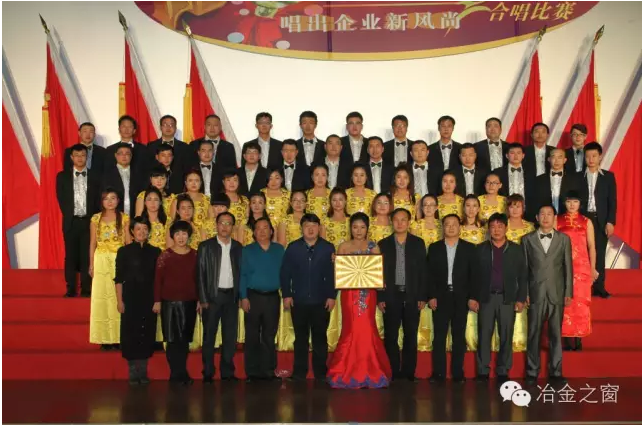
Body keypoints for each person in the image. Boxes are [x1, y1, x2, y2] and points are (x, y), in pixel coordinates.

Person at [327, 213, 392, 389]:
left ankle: (371, 369)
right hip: (349, 295)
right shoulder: (343, 246)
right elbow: (338, 274)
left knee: (367, 328)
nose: (358, 231)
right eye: (355, 227)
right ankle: (345, 370)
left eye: (362, 227)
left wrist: (380, 282)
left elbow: (378, 271)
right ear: (350, 228)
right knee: (350, 328)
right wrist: (335, 263)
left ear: (367, 228)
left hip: (368, 294)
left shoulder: (373, 247)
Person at [472, 213, 527, 383]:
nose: (496, 230)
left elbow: (523, 276)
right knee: (484, 335)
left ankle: (503, 370)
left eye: (500, 226)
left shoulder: (516, 250)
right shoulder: (480, 249)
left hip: (507, 298)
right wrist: (473, 297)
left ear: (506, 228)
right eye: (493, 227)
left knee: (506, 335)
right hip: (486, 298)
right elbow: (472, 276)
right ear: (488, 229)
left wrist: (520, 299)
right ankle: (483, 370)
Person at [280, 213, 336, 380]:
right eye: (307, 226)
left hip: (321, 300)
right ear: (301, 228)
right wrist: (287, 294)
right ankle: (299, 372)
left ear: (319, 228)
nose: (310, 229)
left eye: (314, 226)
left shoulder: (328, 248)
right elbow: (285, 273)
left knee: (320, 338)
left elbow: (333, 274)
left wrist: (332, 295)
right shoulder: (293, 247)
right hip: (299, 300)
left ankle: (320, 372)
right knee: (300, 338)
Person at [523, 205, 573, 385]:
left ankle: (556, 372)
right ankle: (532, 371)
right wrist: (525, 293)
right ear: (537, 217)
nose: (545, 217)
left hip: (556, 292)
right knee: (533, 333)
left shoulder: (564, 239)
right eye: (542, 214)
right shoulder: (527, 239)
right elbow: (524, 269)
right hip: (535, 293)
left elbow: (568, 267)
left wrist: (568, 292)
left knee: (556, 334)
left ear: (554, 218)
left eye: (549, 214)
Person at [378, 208, 427, 381]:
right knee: (391, 336)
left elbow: (423, 272)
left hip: (412, 295)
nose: (400, 223)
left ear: (409, 222)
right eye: (396, 220)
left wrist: (422, 296)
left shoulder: (418, 243)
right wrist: (380, 297)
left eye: (403, 219)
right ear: (392, 222)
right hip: (391, 295)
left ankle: (408, 372)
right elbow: (379, 273)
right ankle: (392, 371)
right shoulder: (383, 244)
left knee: (410, 335)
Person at [428, 214, 476, 383]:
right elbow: (429, 275)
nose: (450, 227)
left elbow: (474, 275)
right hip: (440, 297)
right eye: (447, 224)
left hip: (461, 297)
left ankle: (458, 373)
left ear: (459, 227)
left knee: (458, 336)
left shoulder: (469, 248)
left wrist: (472, 297)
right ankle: (439, 373)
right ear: (443, 227)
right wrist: (431, 296)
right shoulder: (434, 248)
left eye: (454, 224)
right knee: (439, 337)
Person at [197, 211, 243, 382]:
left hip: (231, 296)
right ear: (216, 225)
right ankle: (208, 371)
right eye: (222, 223)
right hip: (212, 297)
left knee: (229, 336)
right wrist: (203, 299)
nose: (225, 227)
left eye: (228, 223)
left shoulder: (238, 247)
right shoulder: (205, 246)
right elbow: (200, 275)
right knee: (209, 335)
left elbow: (241, 273)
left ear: (233, 227)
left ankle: (227, 372)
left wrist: (240, 296)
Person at [115, 216, 161, 385]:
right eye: (138, 229)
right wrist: (119, 301)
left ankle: (143, 372)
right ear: (132, 232)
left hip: (149, 298)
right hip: (130, 298)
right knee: (131, 334)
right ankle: (133, 372)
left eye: (145, 229)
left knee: (146, 333)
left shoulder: (156, 252)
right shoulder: (124, 251)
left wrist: (158, 301)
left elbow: (159, 280)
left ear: (149, 231)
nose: (142, 232)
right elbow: (118, 279)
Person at [154, 220, 198, 385]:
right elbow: (158, 281)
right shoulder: (165, 255)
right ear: (172, 236)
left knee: (184, 340)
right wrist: (157, 301)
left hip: (189, 302)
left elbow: (199, 279)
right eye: (177, 234)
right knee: (172, 340)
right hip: (169, 302)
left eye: (184, 234)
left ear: (189, 236)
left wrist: (200, 300)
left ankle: (181, 372)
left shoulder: (195, 255)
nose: (181, 237)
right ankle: (176, 374)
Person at [240, 217, 285, 381]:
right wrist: (243, 297)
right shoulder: (247, 250)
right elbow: (242, 275)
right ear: (254, 232)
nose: (262, 231)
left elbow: (285, 273)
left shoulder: (279, 250)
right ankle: (252, 372)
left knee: (269, 335)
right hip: (253, 296)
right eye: (258, 228)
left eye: (265, 228)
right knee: (252, 335)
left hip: (272, 297)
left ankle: (268, 370)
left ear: (271, 231)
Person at [56, 143, 101, 297]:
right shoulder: (62, 176)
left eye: (83, 155)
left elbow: (97, 200)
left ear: (87, 157)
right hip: (71, 222)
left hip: (89, 222)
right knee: (70, 256)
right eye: (77, 155)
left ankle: (86, 288)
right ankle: (70, 288)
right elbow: (61, 200)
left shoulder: (95, 176)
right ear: (71, 157)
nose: (80, 158)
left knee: (87, 255)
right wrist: (70, 215)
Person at [89, 188, 130, 349]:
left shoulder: (124, 218)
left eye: (113, 198)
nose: (110, 201)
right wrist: (91, 264)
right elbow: (93, 243)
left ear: (118, 200)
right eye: (106, 198)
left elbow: (128, 242)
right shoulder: (96, 218)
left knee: (117, 298)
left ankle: (119, 337)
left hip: (118, 260)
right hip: (100, 261)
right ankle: (104, 338)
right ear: (102, 202)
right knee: (101, 299)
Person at [558, 191, 598, 351]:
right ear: (564, 203)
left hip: (582, 267)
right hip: (562, 266)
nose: (572, 205)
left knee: (581, 303)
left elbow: (592, 246)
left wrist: (592, 268)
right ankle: (567, 339)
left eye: (575, 201)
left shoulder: (587, 221)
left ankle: (579, 338)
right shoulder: (557, 220)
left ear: (580, 204)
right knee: (566, 302)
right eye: (569, 201)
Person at [580, 141, 616, 298]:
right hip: (583, 219)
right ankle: (583, 288)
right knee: (583, 253)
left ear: (600, 157)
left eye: (594, 156)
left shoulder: (608, 177)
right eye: (588, 156)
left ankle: (599, 287)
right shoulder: (578, 176)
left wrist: (610, 221)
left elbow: (612, 201)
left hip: (600, 220)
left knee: (599, 254)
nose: (591, 159)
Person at [320, 188, 351, 351]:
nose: (338, 203)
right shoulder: (325, 222)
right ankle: (330, 338)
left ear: (346, 201)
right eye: (334, 200)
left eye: (341, 199)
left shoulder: (351, 221)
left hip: (349, 267)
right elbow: (322, 245)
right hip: (330, 266)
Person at [505, 194, 535, 353]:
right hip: (503, 275)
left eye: (518, 206)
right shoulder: (501, 226)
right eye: (512, 206)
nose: (515, 210)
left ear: (523, 208)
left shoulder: (530, 227)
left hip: (523, 274)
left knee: (521, 309)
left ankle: (519, 343)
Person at [102, 142, 144, 217]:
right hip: (114, 216)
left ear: (131, 156)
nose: (124, 156)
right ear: (115, 155)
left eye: (127, 154)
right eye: (121, 153)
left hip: (135, 216)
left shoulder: (139, 174)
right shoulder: (106, 174)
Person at [499, 143, 537, 221]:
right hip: (504, 212)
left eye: (519, 153)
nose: (516, 156)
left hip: (527, 213)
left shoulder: (531, 172)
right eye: (512, 153)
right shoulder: (498, 172)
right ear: (507, 155)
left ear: (523, 155)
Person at [536, 148, 580, 215]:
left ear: (565, 160)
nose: (556, 161)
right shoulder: (539, 179)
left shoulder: (574, 179)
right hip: (546, 218)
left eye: (560, 157)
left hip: (567, 217)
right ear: (549, 159)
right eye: (553, 157)